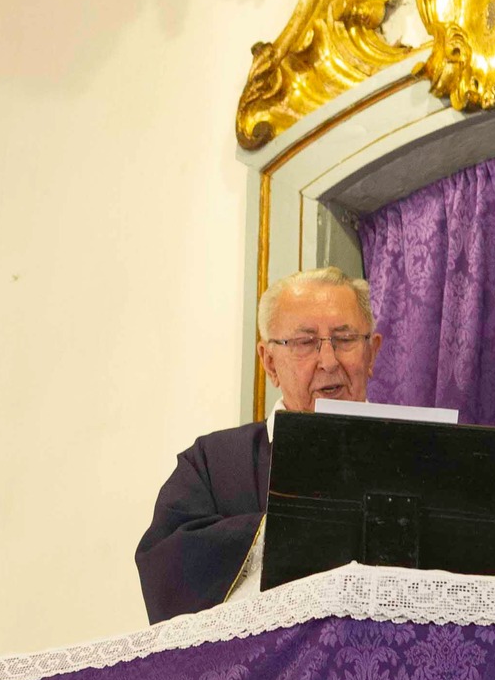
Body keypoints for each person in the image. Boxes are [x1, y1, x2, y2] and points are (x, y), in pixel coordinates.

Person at [135, 266, 382, 623]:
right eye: (305, 343)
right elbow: (168, 571)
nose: (328, 362)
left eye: (344, 339)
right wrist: (291, 531)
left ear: (372, 353)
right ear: (269, 363)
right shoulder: (213, 464)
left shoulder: (428, 456)